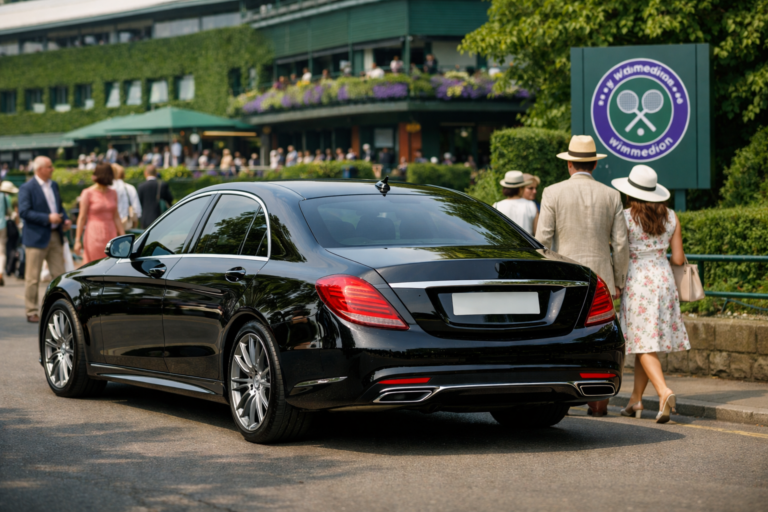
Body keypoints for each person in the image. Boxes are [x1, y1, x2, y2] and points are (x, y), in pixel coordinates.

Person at [535, 135, 629, 416]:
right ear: (595, 164)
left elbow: (543, 239)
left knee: (560, 337)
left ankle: (558, 400)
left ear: (569, 165)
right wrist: (620, 281)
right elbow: (621, 243)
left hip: (564, 280)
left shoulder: (552, 192)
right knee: (599, 338)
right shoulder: (611, 195)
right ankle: (598, 406)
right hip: (602, 279)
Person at [612, 165, 688, 424]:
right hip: (663, 280)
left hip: (637, 281)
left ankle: (664, 392)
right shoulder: (671, 216)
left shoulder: (624, 217)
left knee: (641, 342)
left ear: (630, 192)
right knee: (645, 342)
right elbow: (678, 258)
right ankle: (635, 400)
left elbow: (619, 252)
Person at [18, 156, 72, 322]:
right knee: (33, 277)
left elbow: (59, 206)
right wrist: (48, 218)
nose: (52, 169)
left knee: (59, 275)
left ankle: (63, 307)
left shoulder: (53, 185)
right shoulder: (27, 188)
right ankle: (31, 311)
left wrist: (65, 219)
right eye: (49, 166)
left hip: (55, 236)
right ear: (39, 169)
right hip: (36, 238)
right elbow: (24, 212)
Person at [74, 164, 125, 265]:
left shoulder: (113, 193)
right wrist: (77, 240)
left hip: (111, 233)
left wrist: (123, 237)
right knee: (95, 264)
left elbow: (116, 217)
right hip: (94, 234)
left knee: (111, 264)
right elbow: (82, 217)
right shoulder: (87, 193)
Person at [110, 164, 142, 231]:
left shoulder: (107, 189)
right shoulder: (130, 188)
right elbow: (136, 210)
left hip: (110, 226)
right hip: (126, 226)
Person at [0, 180, 19, 286]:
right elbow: (8, 211)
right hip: (2, 225)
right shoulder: (4, 197)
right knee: (1, 251)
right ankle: (0, 272)